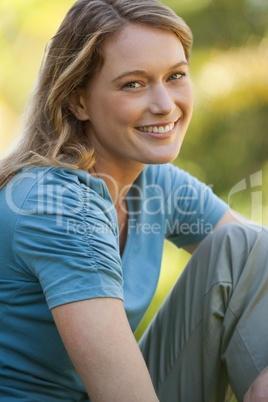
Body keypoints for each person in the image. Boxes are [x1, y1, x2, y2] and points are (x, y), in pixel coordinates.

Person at [0, 0, 267, 400]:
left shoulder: (152, 182)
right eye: (134, 84)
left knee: (247, 248)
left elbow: (253, 266)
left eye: (175, 76)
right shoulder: (54, 206)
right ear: (78, 101)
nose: (165, 105)